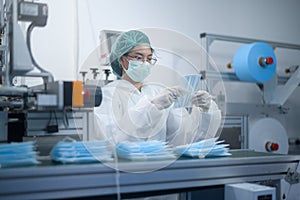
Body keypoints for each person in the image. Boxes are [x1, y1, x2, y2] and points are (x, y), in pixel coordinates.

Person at [93, 30, 221, 147]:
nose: (145, 63)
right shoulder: (108, 95)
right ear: (122, 60)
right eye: (138, 57)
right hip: (125, 169)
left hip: (160, 165)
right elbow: (113, 142)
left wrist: (205, 112)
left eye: (149, 58)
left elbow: (183, 139)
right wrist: (151, 107)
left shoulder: (158, 92)